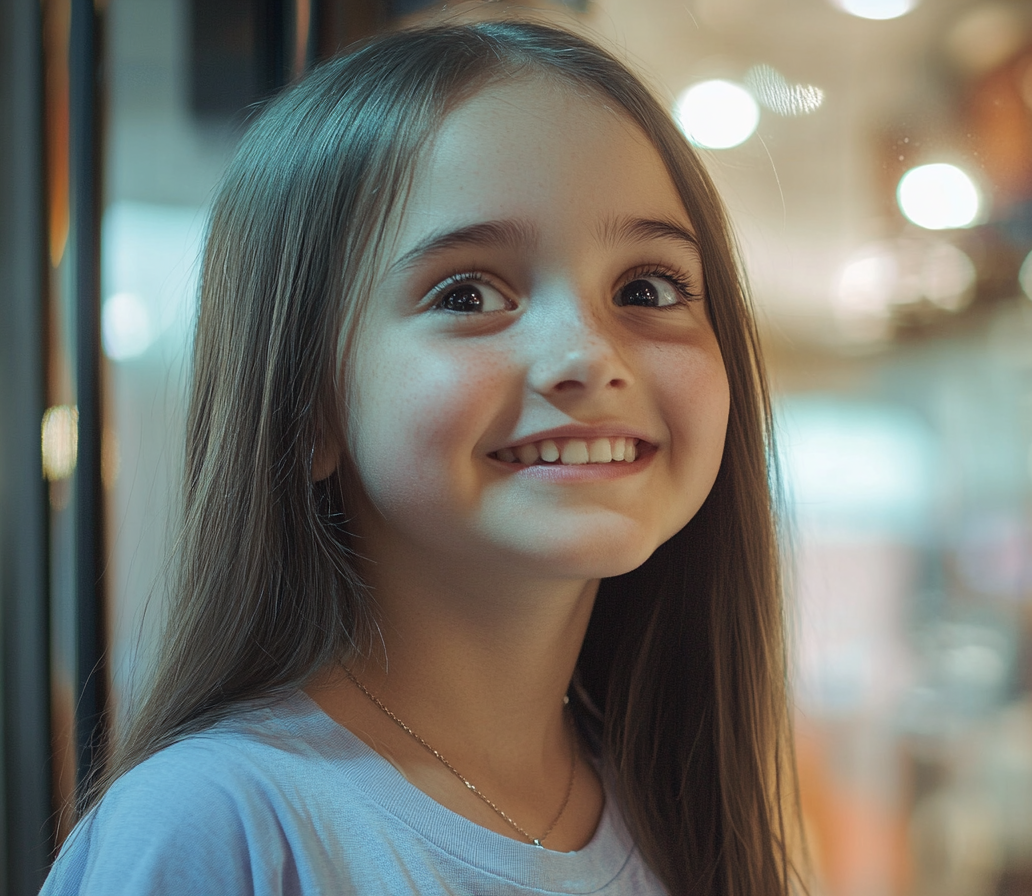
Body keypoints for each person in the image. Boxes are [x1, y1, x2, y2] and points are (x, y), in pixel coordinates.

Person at [40, 18, 800, 896]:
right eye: (469, 292)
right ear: (308, 404)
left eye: (647, 289)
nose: (591, 355)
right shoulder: (218, 828)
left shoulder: (675, 811)